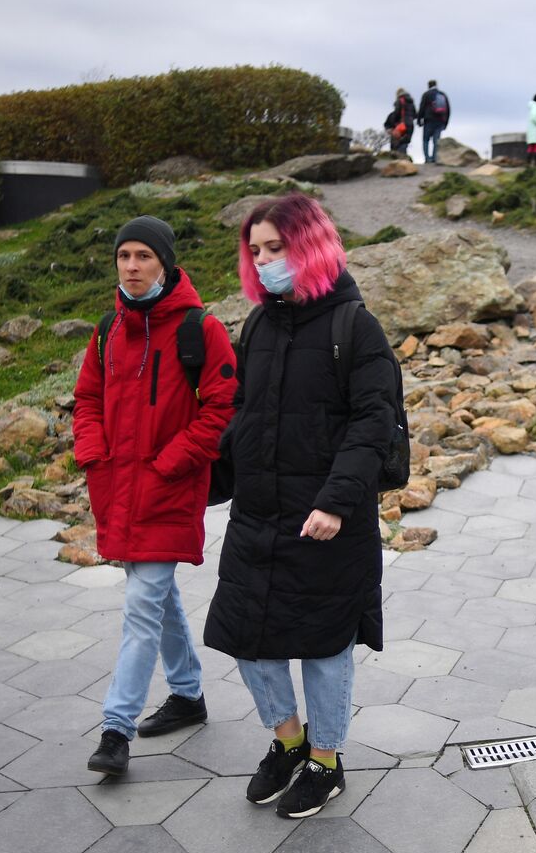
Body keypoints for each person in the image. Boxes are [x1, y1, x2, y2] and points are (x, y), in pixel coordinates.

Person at [206, 192, 399, 819]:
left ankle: (326, 759)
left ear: (308, 246)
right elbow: (245, 417)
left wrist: (339, 502)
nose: (264, 262)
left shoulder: (355, 326)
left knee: (322, 645)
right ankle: (289, 743)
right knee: (246, 636)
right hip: (259, 515)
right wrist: (206, 485)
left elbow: (375, 420)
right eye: (255, 251)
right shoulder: (257, 325)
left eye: (276, 248)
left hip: (325, 520)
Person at [75, 216, 237, 776]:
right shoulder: (107, 330)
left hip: (169, 489)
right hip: (117, 488)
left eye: (144, 256)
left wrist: (169, 461)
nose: (132, 266)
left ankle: (115, 730)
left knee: (142, 607)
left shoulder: (201, 329)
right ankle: (188, 694)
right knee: (157, 595)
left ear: (165, 263)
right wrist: (94, 454)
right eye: (124, 256)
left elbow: (222, 409)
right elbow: (87, 400)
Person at [416, 79, 450, 164]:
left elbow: (422, 107)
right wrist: (446, 122)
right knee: (436, 141)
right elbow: (448, 109)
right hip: (440, 121)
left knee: (426, 140)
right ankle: (435, 158)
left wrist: (419, 120)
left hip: (429, 120)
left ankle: (427, 158)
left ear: (428, 86)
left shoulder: (426, 94)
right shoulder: (442, 94)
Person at [383, 88, 415, 155]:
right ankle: (403, 157)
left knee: (397, 143)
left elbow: (396, 115)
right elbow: (415, 114)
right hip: (410, 125)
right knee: (405, 142)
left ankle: (397, 157)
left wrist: (392, 126)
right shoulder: (411, 102)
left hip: (400, 126)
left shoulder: (399, 101)